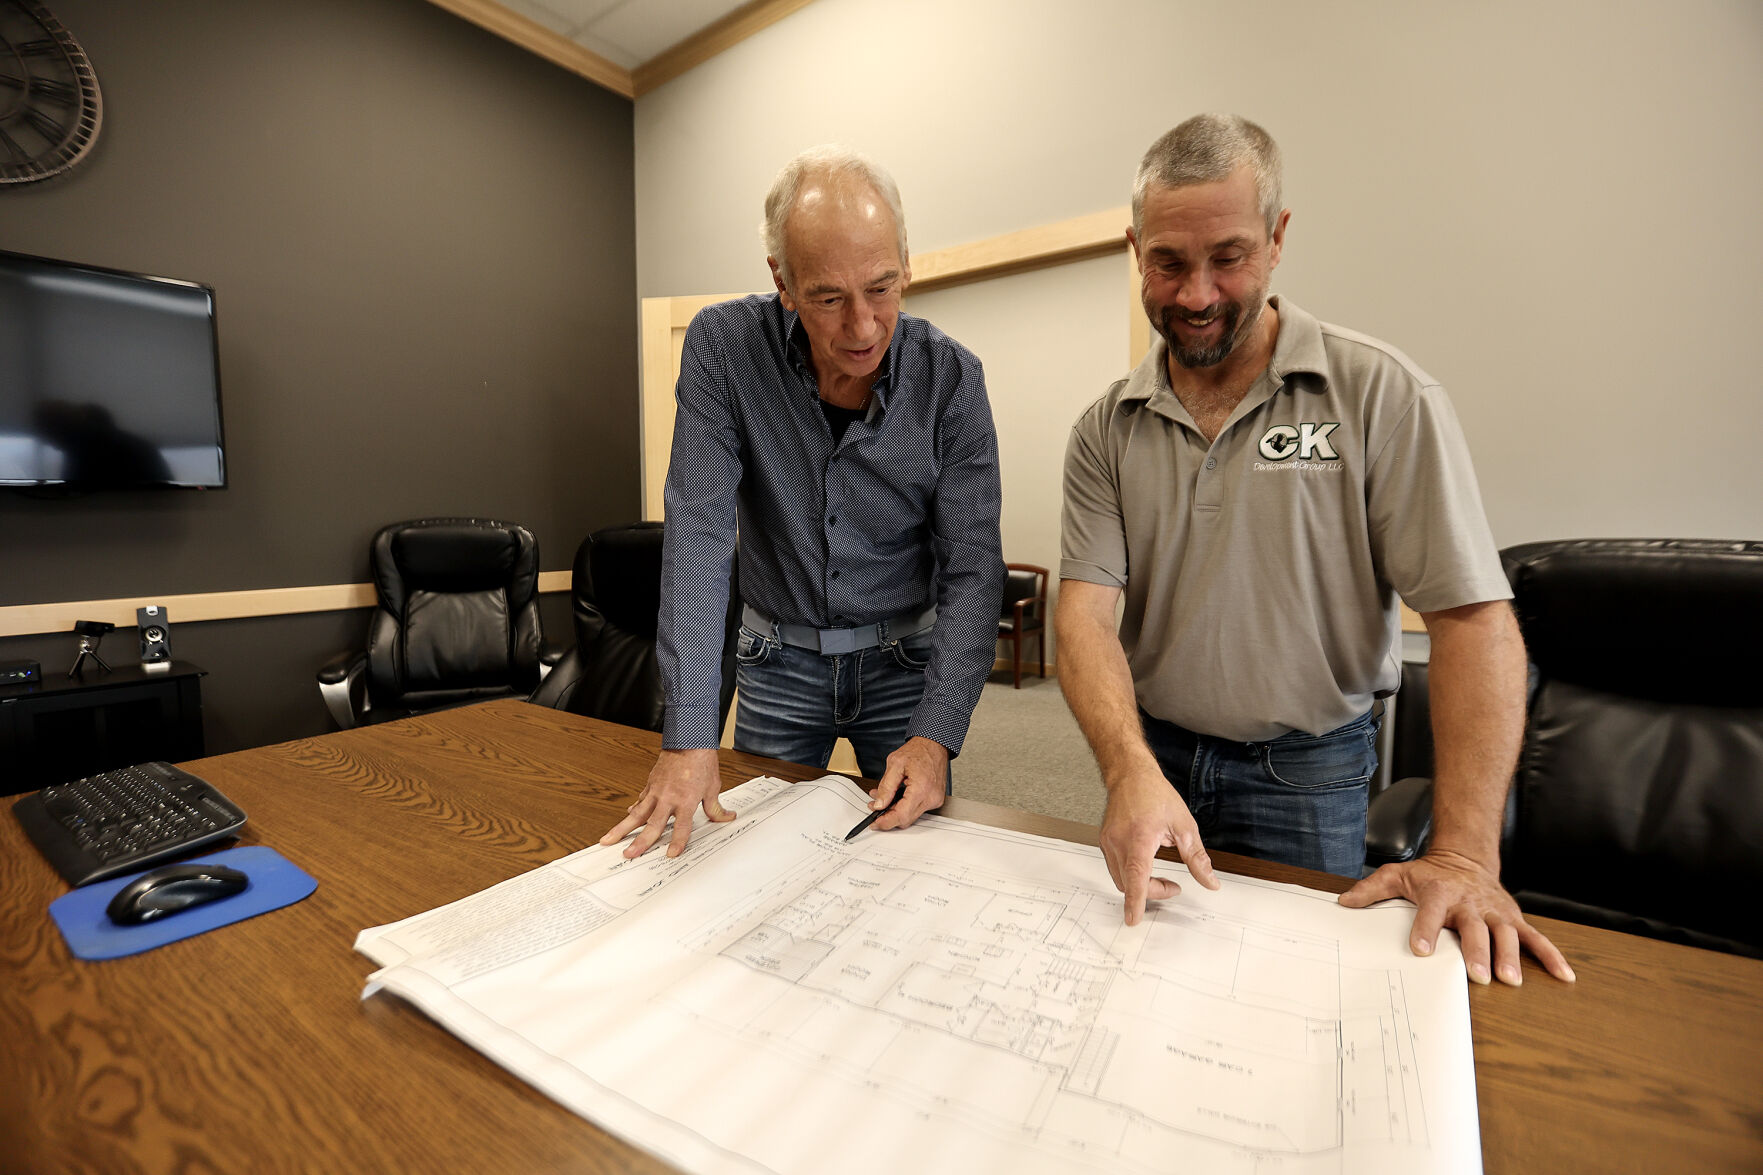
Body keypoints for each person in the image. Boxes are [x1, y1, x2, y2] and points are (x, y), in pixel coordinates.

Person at [1057, 114, 1573, 988]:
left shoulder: (1378, 394)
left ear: (1277, 236)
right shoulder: (1104, 428)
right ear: (1134, 249)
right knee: (1141, 986)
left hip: (1305, 773)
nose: (1195, 294)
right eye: (1169, 263)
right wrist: (1126, 764)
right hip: (1154, 756)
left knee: (1293, 999)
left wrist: (1462, 854)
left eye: (1227, 256)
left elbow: (1470, 619)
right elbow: (1083, 617)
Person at [599, 146, 1004, 861]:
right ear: (782, 283)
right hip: (776, 660)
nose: (862, 327)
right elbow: (696, 535)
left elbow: (973, 568)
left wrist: (937, 731)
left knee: (906, 864)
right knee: (756, 861)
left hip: (904, 665)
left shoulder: (953, 381)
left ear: (907, 264)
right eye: (827, 297)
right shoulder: (723, 349)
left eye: (881, 287)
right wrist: (690, 734)